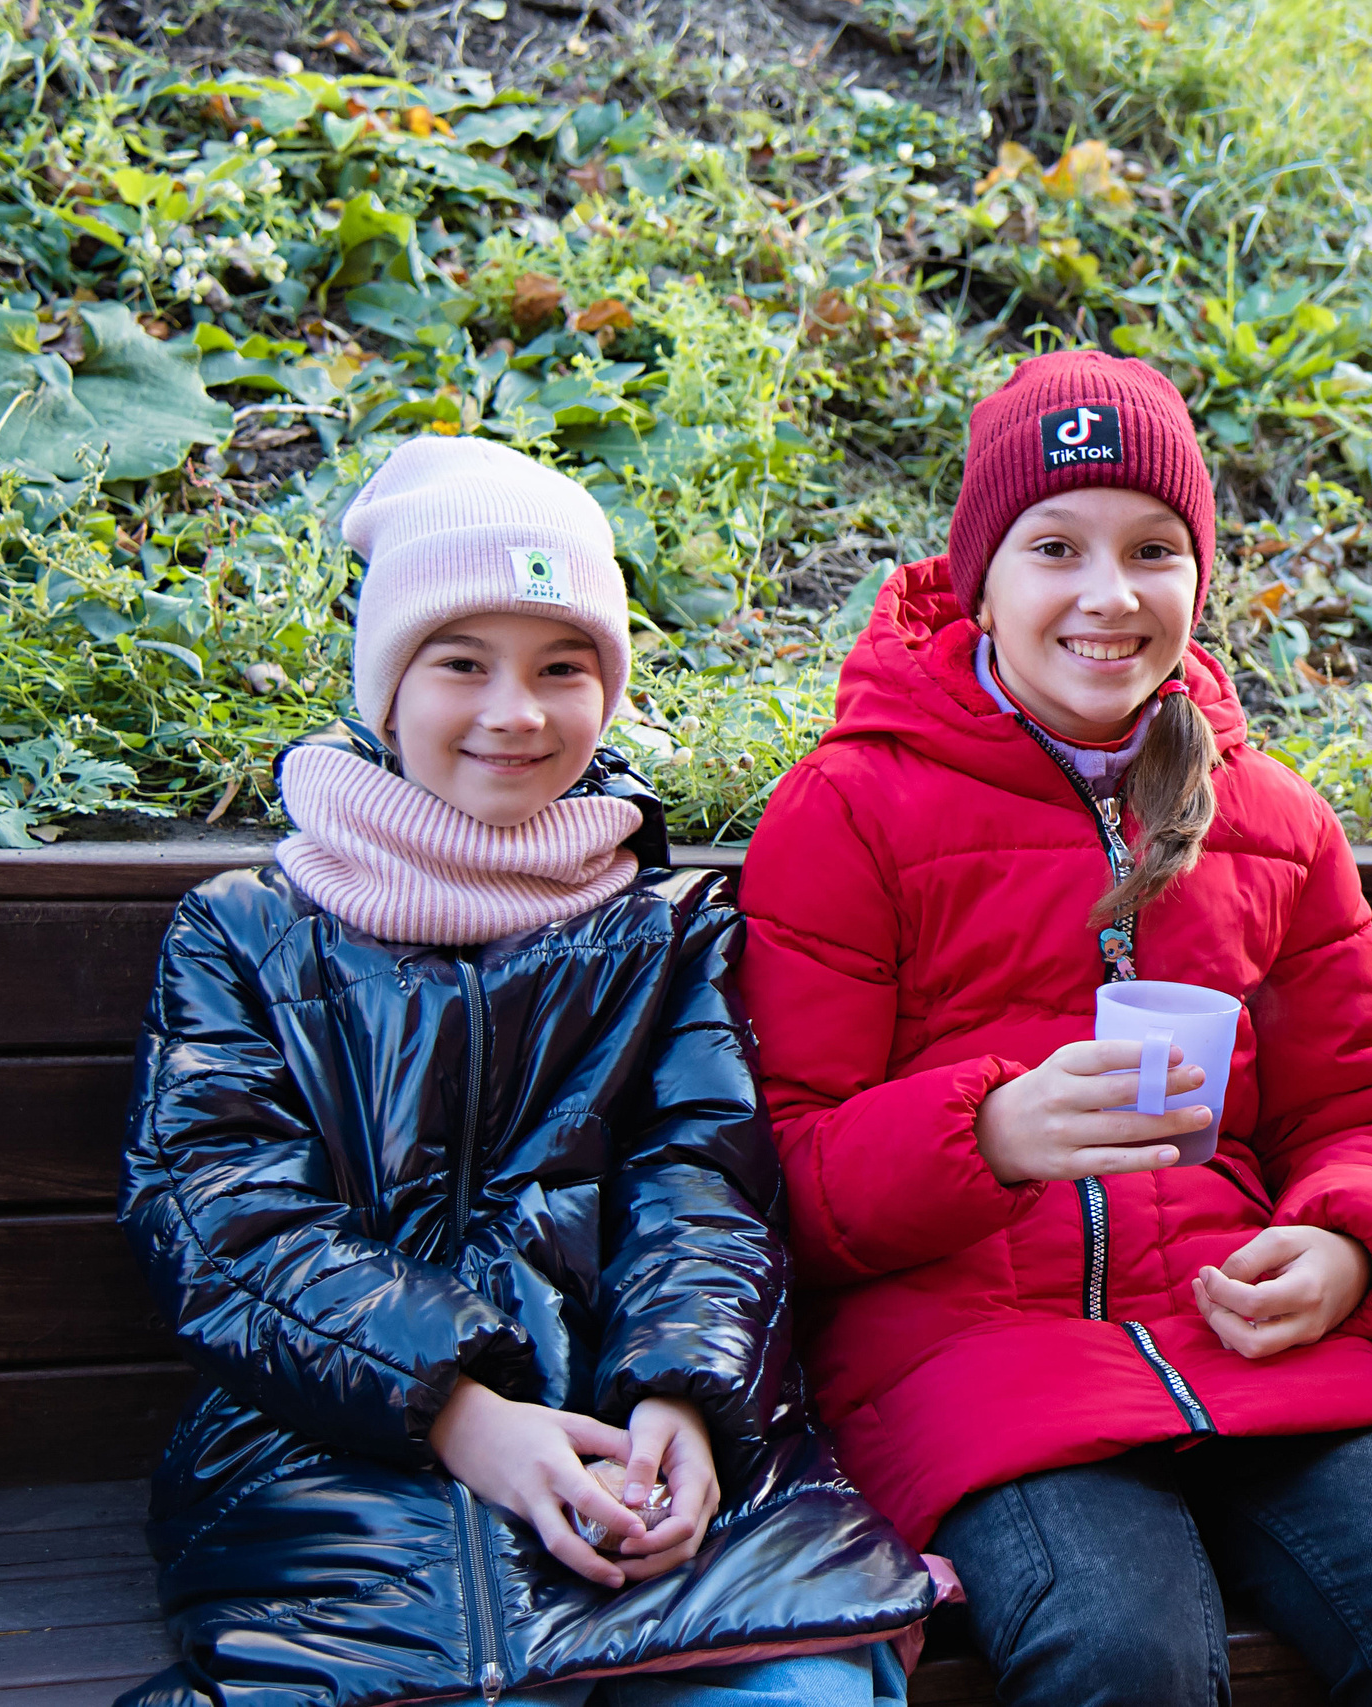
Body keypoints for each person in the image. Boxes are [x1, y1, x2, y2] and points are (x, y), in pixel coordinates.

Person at [737, 350, 1372, 1707]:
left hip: (1256, 1336)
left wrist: (1351, 1244)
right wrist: (985, 1132)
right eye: (1054, 546)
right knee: (1126, 1654)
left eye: (1155, 549)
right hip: (972, 1357)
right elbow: (776, 1169)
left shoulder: (1275, 821)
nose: (1109, 595)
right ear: (978, 577)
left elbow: (1371, 1109)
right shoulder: (851, 809)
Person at [117, 438, 933, 1707]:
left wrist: (686, 1395)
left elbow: (705, 1189)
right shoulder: (242, 932)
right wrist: (456, 1409)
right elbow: (220, 1218)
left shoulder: (669, 934)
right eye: (461, 664)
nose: (518, 713)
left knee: (794, 1690)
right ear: (384, 688)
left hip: (635, 1458)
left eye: (564, 669)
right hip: (340, 1453)